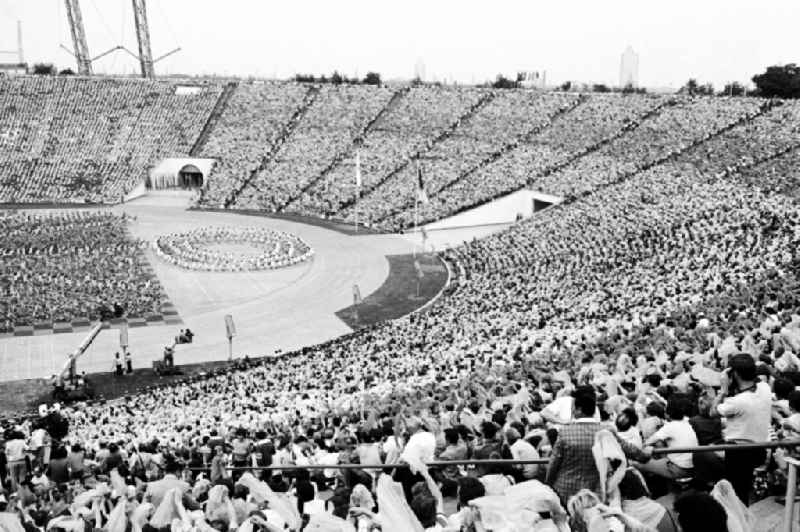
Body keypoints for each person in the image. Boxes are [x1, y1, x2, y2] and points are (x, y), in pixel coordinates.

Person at [546, 385, 651, 504]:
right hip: (595, 492)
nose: (572, 411)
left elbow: (553, 463)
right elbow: (630, 450)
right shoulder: (606, 430)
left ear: (579, 410)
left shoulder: (564, 432)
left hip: (566, 490)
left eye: (573, 408)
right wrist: (646, 455)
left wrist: (548, 484)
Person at [710, 353, 771, 505]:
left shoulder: (737, 402)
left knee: (738, 494)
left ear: (735, 374)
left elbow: (712, 412)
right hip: (760, 447)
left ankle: (740, 522)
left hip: (739, 452)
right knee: (742, 489)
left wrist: (723, 389)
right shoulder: (764, 388)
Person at [636, 394, 698, 479]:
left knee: (636, 464)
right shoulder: (686, 421)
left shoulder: (669, 427)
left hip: (677, 469)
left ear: (668, 413)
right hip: (692, 467)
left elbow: (648, 442)